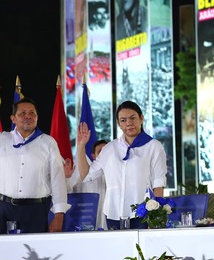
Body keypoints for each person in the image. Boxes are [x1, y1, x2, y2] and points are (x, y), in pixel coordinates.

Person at [77, 101, 167, 230]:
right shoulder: (110, 148)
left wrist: (155, 217)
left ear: (141, 118)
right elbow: (86, 175)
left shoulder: (153, 146)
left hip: (142, 214)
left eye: (133, 118)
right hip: (113, 213)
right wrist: (81, 146)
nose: (128, 123)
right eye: (123, 120)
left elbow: (158, 183)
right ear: (119, 124)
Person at [0, 98, 69, 234]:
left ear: (37, 117)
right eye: (23, 113)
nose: (28, 116)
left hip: (36, 210)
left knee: (33, 248)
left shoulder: (48, 143)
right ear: (13, 119)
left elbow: (58, 180)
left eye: (32, 113)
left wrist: (59, 215)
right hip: (3, 209)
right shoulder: (2, 140)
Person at [66, 139, 109, 230]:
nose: (104, 155)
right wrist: (67, 177)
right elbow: (68, 192)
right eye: (100, 152)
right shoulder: (83, 170)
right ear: (93, 155)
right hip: (86, 222)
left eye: (106, 151)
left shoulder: (117, 171)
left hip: (110, 223)